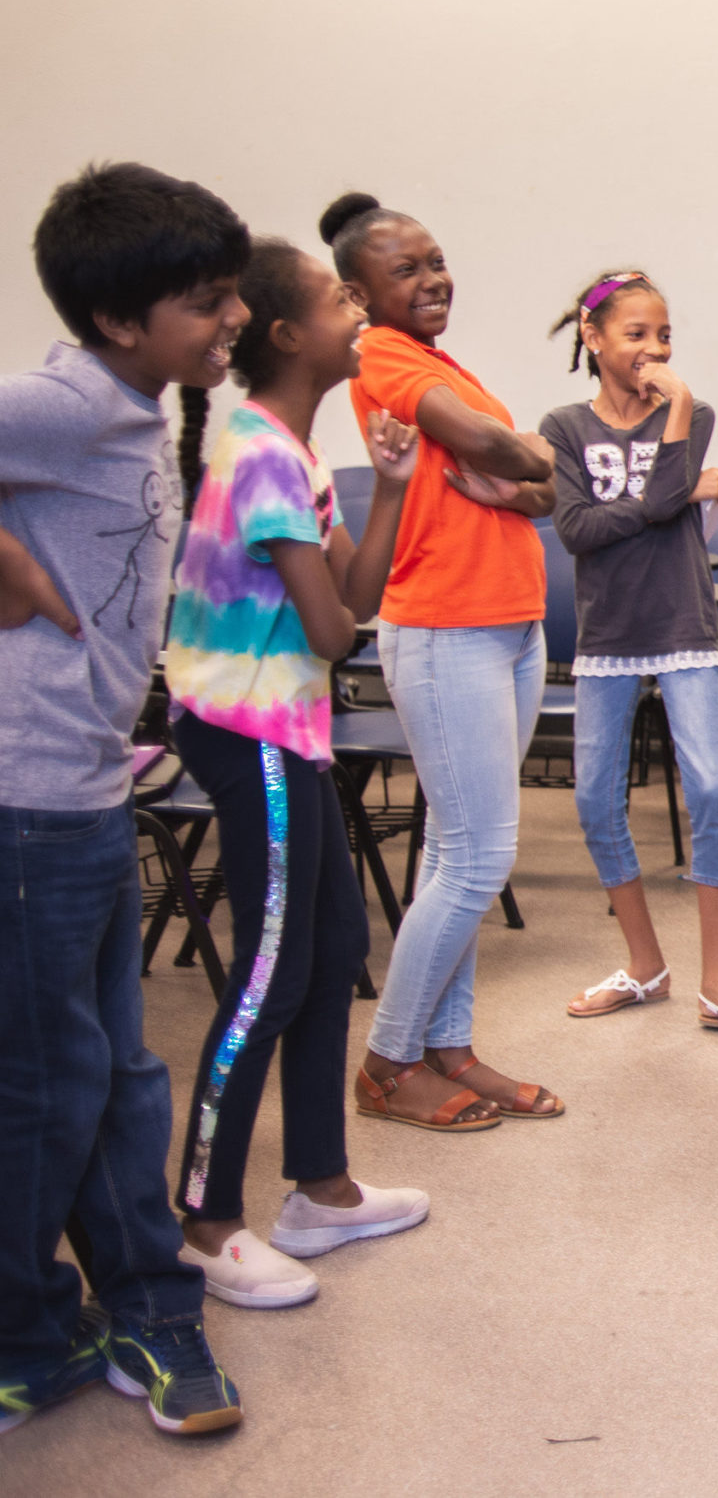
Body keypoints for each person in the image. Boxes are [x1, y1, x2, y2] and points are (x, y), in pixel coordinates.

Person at [2, 162, 248, 1436]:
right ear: (116, 317)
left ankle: (147, 1302)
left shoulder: (135, 403)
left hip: (87, 787)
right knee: (49, 1086)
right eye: (205, 300)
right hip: (26, 799)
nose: (234, 317)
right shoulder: (59, 403)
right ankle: (28, 1330)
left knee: (117, 1072)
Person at [162, 239, 436, 1312]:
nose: (358, 311)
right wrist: (344, 605)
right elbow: (332, 631)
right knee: (271, 973)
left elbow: (352, 597)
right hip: (249, 731)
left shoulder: (292, 448)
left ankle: (321, 1189)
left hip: (288, 732)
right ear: (285, 335)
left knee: (332, 951)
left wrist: (393, 490)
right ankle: (205, 1218)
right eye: (339, 299)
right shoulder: (261, 452)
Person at [330, 192, 564, 1128]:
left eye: (436, 261)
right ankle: (387, 1062)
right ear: (359, 294)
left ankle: (448, 1047)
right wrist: (530, 456)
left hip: (511, 624)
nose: (433, 279)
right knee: (477, 857)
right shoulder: (382, 354)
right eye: (407, 269)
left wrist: (525, 473)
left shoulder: (444, 365)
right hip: (443, 628)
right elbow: (500, 449)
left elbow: (544, 491)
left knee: (453, 853)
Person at [541, 271, 718, 1040]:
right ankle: (645, 965)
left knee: (710, 789)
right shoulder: (563, 427)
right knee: (594, 801)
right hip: (609, 632)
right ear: (593, 338)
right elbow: (578, 529)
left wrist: (677, 418)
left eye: (665, 334)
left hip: (683, 622)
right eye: (636, 333)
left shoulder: (692, 413)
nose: (655, 348)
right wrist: (674, 494)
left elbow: (651, 502)